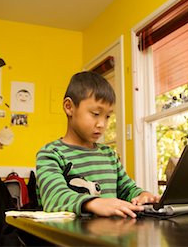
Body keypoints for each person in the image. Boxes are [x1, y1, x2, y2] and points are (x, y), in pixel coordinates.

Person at [36, 71, 160, 218]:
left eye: (107, 116)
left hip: (111, 236)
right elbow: (54, 198)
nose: (102, 124)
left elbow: (127, 190)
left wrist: (142, 195)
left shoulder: (108, 155)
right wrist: (94, 203)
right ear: (69, 107)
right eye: (95, 113)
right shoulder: (51, 154)